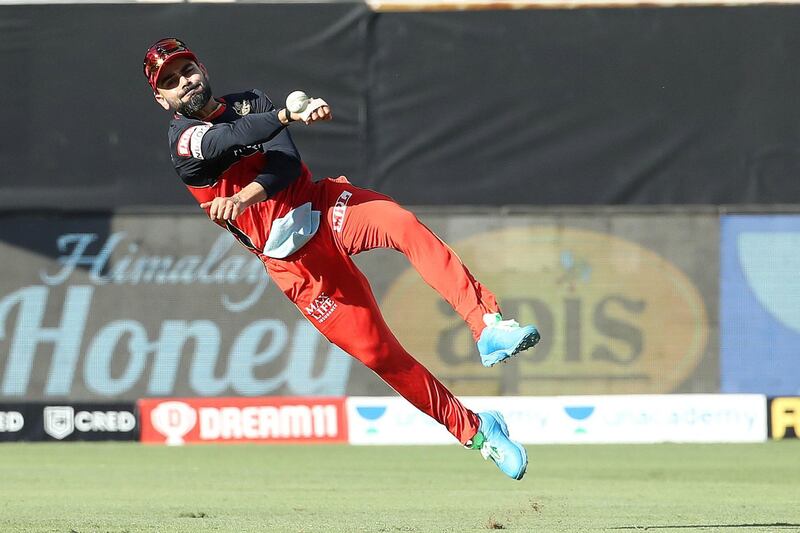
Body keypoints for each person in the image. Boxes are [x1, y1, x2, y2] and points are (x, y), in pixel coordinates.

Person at [143, 37, 540, 480]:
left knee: (402, 224)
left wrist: (251, 188)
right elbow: (228, 139)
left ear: (202, 67)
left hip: (321, 207)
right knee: (378, 353)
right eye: (172, 82)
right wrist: (285, 116)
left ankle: (486, 326)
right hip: (296, 266)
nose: (185, 83)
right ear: (163, 100)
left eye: (187, 70)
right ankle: (479, 433)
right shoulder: (183, 142)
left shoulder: (252, 101)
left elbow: (287, 165)